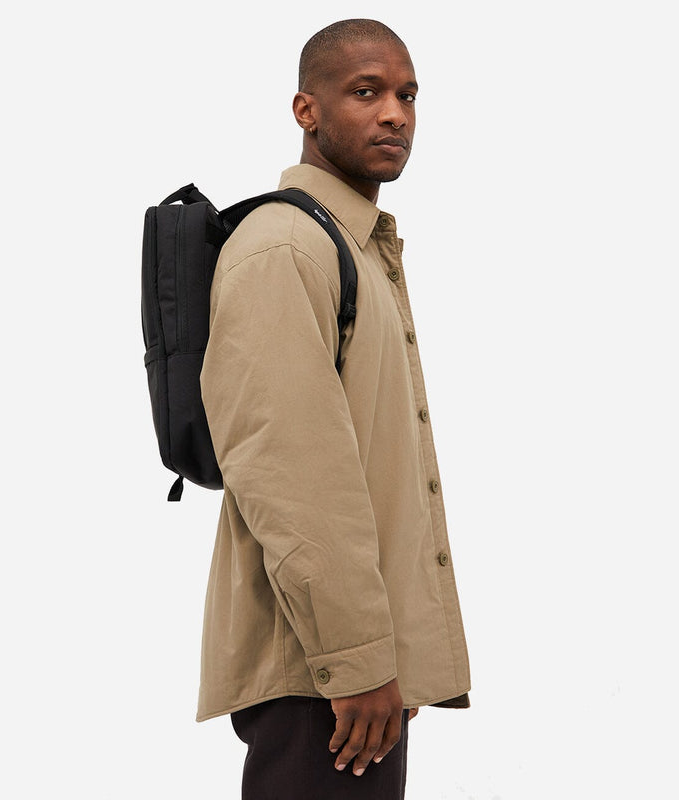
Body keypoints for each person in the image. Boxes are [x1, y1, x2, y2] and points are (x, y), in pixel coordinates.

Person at [198, 19, 471, 800]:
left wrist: (386, 657)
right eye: (366, 91)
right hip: (318, 674)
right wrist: (355, 661)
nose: (395, 113)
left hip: (352, 668)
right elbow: (290, 470)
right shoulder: (285, 248)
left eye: (407, 94)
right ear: (305, 110)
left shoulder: (353, 248)